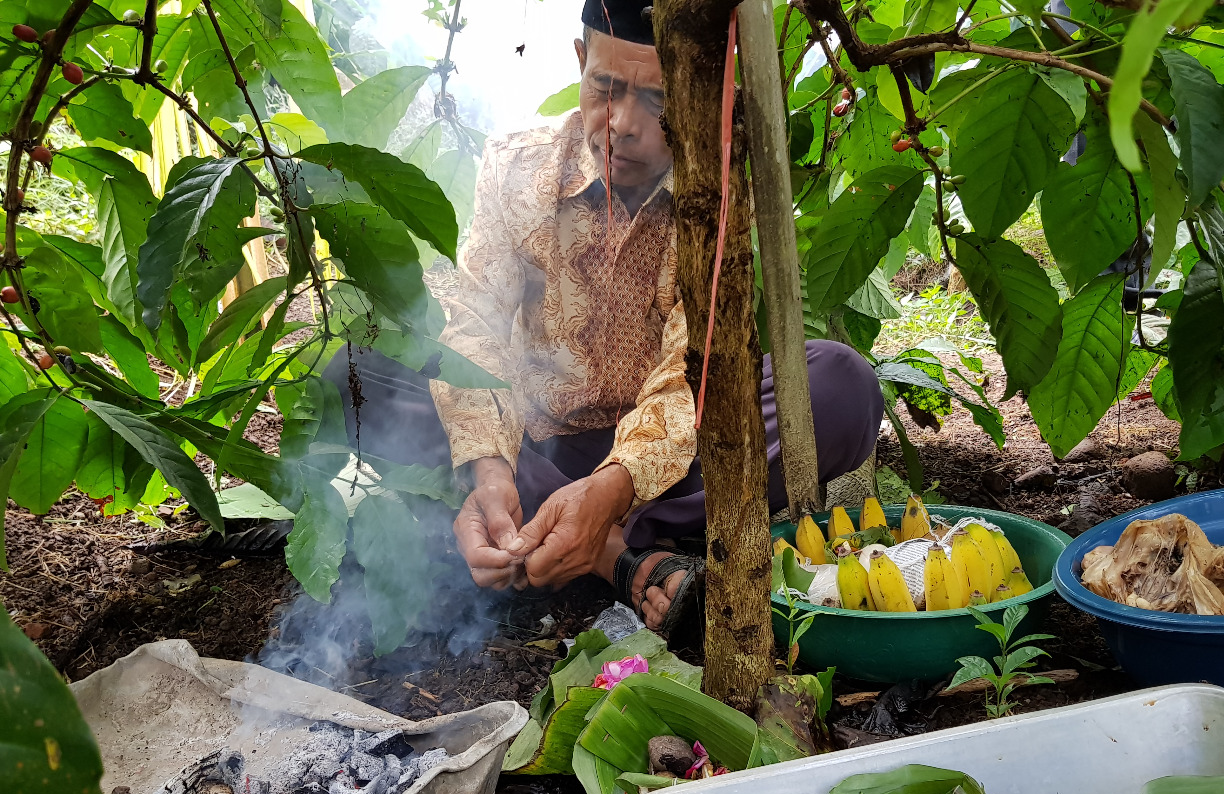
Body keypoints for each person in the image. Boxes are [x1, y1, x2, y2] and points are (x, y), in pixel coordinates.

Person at [329, 0, 883, 639]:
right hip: (534, 444)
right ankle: (612, 554)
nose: (621, 123)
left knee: (841, 383)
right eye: (605, 89)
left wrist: (614, 486)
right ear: (579, 61)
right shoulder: (517, 167)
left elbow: (688, 373)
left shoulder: (717, 191)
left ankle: (569, 538)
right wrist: (490, 469)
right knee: (358, 371)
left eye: (657, 100)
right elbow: (475, 324)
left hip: (671, 452)